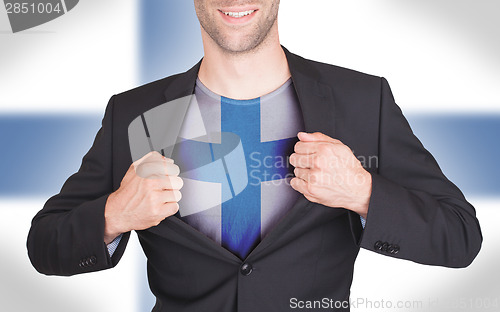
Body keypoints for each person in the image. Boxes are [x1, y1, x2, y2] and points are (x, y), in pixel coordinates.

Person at [27, 1, 482, 311]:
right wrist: (114, 214)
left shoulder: (362, 101)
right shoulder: (136, 113)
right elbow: (44, 245)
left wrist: (363, 192)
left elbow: (460, 236)